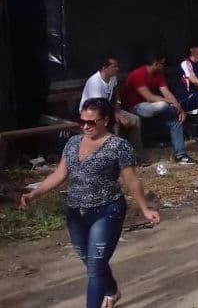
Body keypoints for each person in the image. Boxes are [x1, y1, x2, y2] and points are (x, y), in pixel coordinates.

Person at [19, 98, 160, 308]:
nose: (86, 126)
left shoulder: (118, 146)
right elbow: (60, 174)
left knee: (95, 267)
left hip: (107, 211)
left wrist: (144, 209)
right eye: (82, 121)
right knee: (91, 262)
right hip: (76, 213)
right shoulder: (73, 143)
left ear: (105, 120)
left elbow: (131, 180)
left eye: (91, 122)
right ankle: (112, 290)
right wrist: (34, 194)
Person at [121, 55, 196, 165]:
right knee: (162, 105)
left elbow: (166, 92)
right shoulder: (138, 74)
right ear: (156, 63)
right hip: (135, 108)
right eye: (162, 64)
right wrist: (172, 104)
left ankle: (180, 155)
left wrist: (180, 109)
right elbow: (149, 97)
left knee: (175, 118)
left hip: (151, 106)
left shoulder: (159, 74)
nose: (164, 66)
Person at [80, 57, 142, 150]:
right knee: (115, 124)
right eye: (114, 66)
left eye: (117, 66)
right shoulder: (95, 82)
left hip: (108, 109)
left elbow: (115, 89)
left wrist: (117, 103)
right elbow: (98, 106)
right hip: (91, 113)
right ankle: (115, 155)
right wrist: (117, 115)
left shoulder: (113, 77)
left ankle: (136, 154)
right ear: (105, 68)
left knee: (135, 120)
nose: (117, 69)